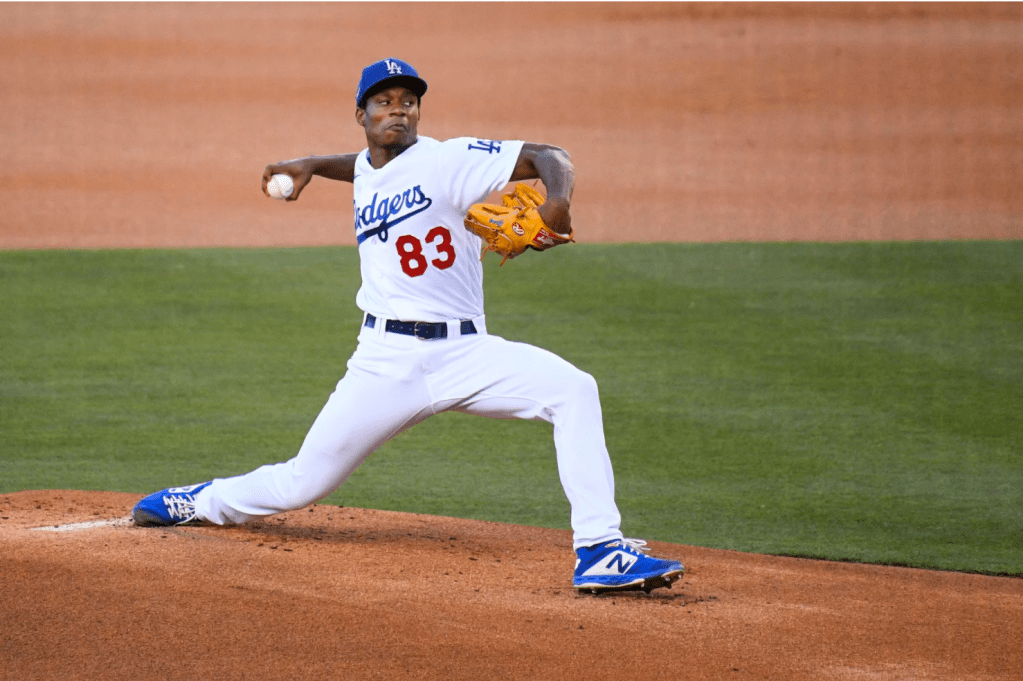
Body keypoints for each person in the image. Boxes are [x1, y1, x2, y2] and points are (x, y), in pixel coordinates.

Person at [132, 58, 683, 594]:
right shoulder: (371, 168)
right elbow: (366, 166)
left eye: (409, 103)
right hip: (384, 361)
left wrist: (558, 200)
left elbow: (548, 154)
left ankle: (599, 549)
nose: (399, 111)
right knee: (302, 481)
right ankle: (201, 501)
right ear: (362, 114)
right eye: (384, 103)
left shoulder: (450, 160)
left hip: (468, 355)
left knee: (573, 389)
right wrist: (312, 164)